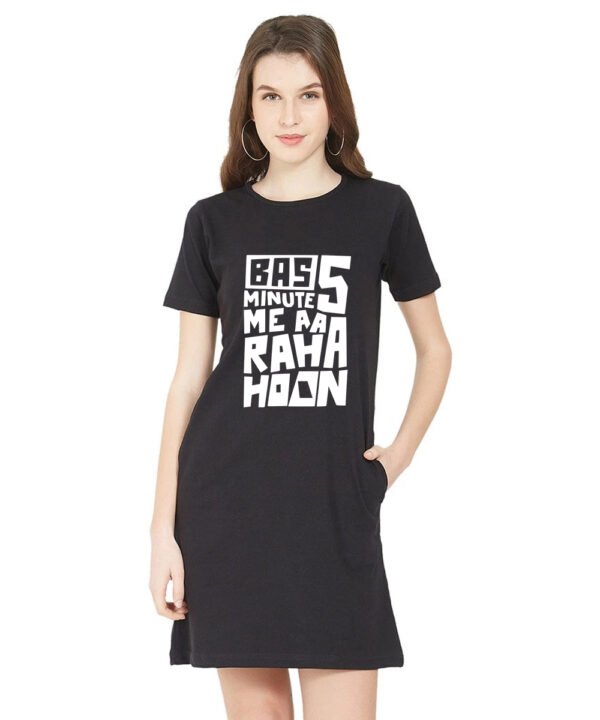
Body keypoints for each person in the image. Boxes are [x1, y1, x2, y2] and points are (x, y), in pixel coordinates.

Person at [149, 14, 452, 720]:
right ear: (248, 109)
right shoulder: (212, 221)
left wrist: (395, 459)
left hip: (334, 512)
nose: (289, 117)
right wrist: (163, 530)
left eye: (308, 95)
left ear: (334, 101)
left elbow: (435, 349)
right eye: (271, 96)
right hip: (226, 512)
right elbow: (188, 381)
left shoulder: (382, 210)